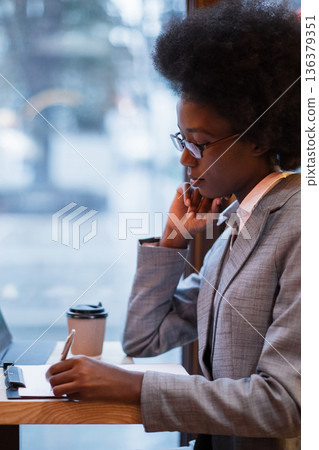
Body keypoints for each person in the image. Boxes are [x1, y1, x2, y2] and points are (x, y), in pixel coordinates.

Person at [46, 1, 301, 449]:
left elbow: (284, 403)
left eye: (200, 144)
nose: (185, 158)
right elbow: (145, 338)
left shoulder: (298, 224)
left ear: (261, 137)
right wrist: (171, 244)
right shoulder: (238, 226)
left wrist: (133, 387)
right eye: (183, 140)